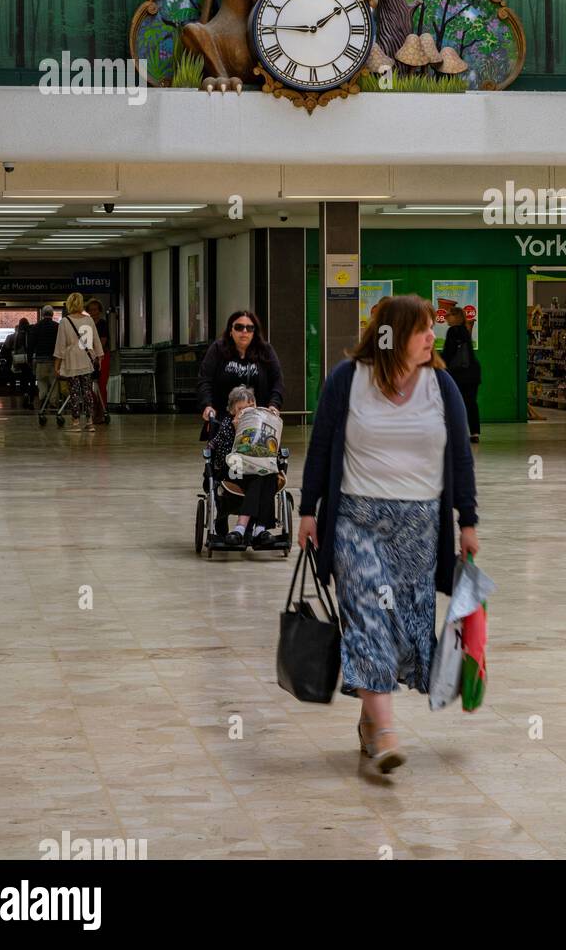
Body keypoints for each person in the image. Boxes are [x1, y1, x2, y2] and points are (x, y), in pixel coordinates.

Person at [298, 294, 479, 774]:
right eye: (421, 330)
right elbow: (320, 446)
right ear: (393, 335)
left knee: (400, 631)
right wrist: (308, 509)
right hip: (355, 521)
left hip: (420, 528)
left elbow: (461, 457)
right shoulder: (348, 380)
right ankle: (387, 735)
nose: (431, 338)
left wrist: (469, 521)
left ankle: (367, 719)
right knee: (367, 620)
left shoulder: (441, 386)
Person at [208, 385, 283, 548]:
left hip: (259, 468)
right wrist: (237, 430)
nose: (246, 411)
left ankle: (249, 529)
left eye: (250, 407)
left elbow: (272, 452)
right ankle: (252, 529)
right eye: (241, 408)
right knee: (260, 476)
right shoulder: (227, 425)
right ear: (232, 410)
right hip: (235, 468)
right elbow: (224, 456)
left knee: (269, 473)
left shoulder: (261, 421)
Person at [197, 310, 284, 439]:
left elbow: (277, 380)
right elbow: (205, 379)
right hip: (223, 418)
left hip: (258, 420)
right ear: (230, 331)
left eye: (249, 328)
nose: (244, 331)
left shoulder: (265, 351)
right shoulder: (217, 349)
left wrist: (274, 405)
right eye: (239, 327)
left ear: (254, 332)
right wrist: (207, 405)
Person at [53, 292, 104, 434]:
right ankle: (89, 422)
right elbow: (96, 340)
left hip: (72, 361)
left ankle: (75, 423)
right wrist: (99, 356)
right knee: (87, 391)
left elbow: (60, 345)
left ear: (69, 304)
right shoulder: (89, 320)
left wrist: (56, 365)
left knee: (74, 391)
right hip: (87, 360)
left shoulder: (65, 322)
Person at [441, 307, 481, 442]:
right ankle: (475, 433)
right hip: (473, 373)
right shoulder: (465, 329)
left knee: (454, 403)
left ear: (455, 317)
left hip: (460, 374)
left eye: (448, 315)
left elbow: (449, 352)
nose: (446, 318)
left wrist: (435, 361)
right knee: (471, 403)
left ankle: (457, 432)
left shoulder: (453, 330)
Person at [85, 299, 112, 424]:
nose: (93, 312)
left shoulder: (102, 324)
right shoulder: (86, 325)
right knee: (87, 384)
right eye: (90, 310)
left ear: (100, 311)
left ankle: (102, 411)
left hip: (102, 356)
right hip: (88, 357)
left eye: (95, 309)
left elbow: (103, 342)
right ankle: (94, 407)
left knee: (101, 384)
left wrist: (96, 356)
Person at [31, 305, 60, 416]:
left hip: (41, 360)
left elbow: (32, 344)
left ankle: (42, 400)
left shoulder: (37, 327)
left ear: (43, 314)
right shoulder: (57, 326)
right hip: (54, 361)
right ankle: (53, 404)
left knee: (42, 382)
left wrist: (30, 358)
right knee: (54, 383)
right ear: (52, 314)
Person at [10, 317, 35, 407]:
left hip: (21, 360)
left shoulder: (18, 334)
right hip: (31, 359)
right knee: (32, 379)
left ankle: (24, 393)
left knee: (23, 378)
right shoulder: (31, 332)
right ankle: (31, 399)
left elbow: (15, 347)